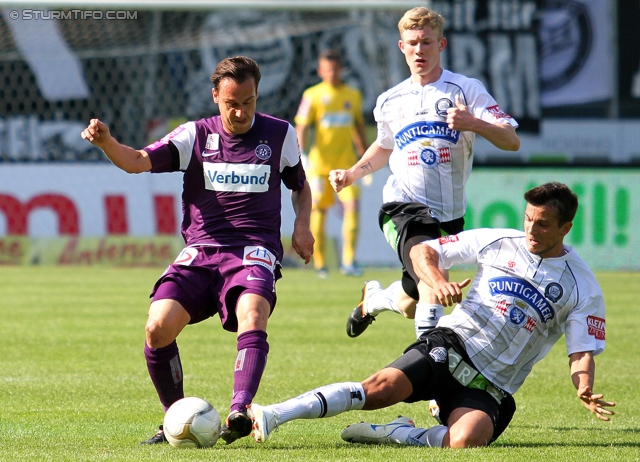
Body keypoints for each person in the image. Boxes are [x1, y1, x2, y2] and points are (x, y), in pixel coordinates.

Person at [247, 182, 615, 448]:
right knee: (378, 389)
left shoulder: (582, 286)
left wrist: (583, 385)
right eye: (528, 219)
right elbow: (424, 250)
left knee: (467, 441)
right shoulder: (499, 241)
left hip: (493, 385)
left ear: (566, 228)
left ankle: (399, 433)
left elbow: (580, 350)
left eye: (543, 224)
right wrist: (437, 281)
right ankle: (274, 414)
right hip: (452, 345)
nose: (531, 230)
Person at [80, 56, 314, 445]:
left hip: (253, 251)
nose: (240, 112)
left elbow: (299, 185)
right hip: (202, 251)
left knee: (253, 314)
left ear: (257, 95)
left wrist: (302, 226)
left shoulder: (279, 133)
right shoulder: (194, 136)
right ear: (215, 97)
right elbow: (136, 162)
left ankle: (240, 409)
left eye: (249, 102)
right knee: (157, 328)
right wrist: (107, 143)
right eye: (231, 103)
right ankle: (173, 418)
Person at [329, 7, 520, 339]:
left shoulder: (465, 90)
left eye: (427, 42)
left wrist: (473, 123)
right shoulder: (389, 100)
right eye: (413, 43)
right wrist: (352, 173)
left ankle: (373, 299)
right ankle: (429, 369)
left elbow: (511, 140)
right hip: (403, 208)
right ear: (402, 47)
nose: (420, 50)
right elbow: (385, 147)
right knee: (432, 279)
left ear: (441, 44)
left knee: (411, 302)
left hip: (449, 215)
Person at [295, 50, 368, 278]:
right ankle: (320, 264)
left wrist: (365, 158)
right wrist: (301, 156)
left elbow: (358, 127)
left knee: (353, 208)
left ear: (341, 70)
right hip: (319, 167)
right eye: (327, 70)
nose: (332, 73)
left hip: (346, 166)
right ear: (320, 72)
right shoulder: (312, 95)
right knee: (319, 211)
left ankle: (348, 262)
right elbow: (302, 125)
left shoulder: (353, 95)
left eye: (335, 69)